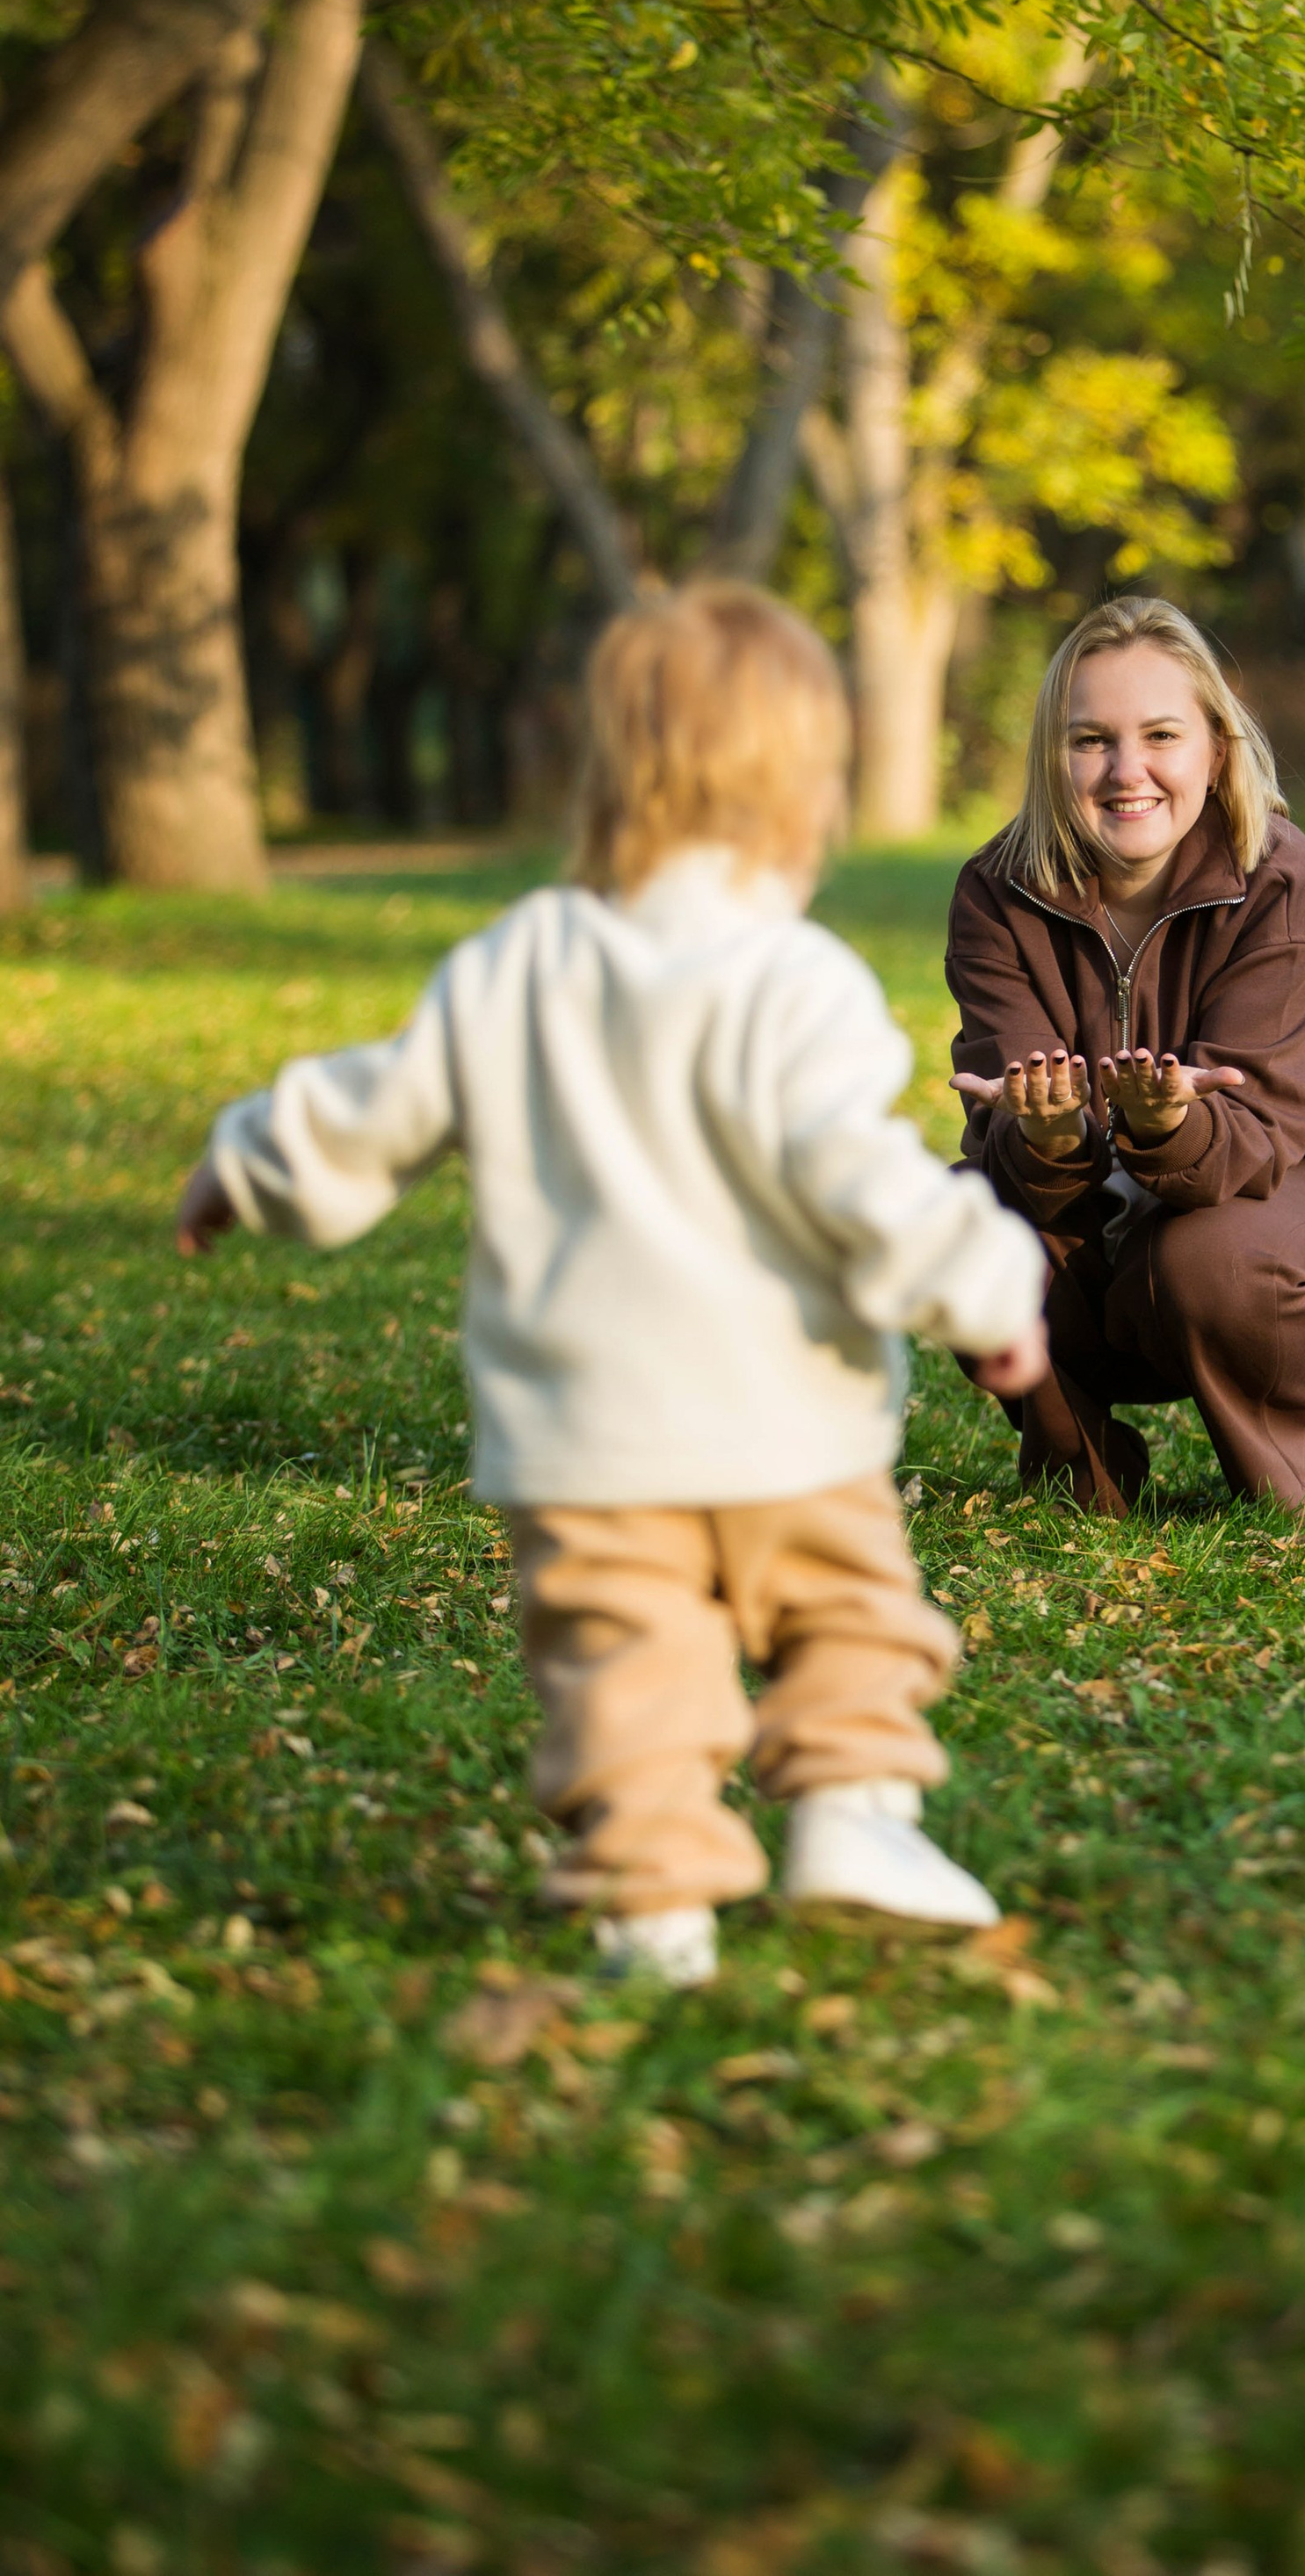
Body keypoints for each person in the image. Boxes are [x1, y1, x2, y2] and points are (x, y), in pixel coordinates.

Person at [174, 582, 1048, 1989]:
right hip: (789, 1424)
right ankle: (850, 1812)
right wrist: (989, 1295)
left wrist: (250, 1161)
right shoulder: (796, 981)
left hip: (589, 1439)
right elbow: (861, 1177)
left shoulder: (517, 959)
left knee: (627, 1671)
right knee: (850, 1614)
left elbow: (376, 1107)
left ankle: (652, 1908)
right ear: (806, 794)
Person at [946, 595, 1305, 1522]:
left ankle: (1294, 1471)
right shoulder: (996, 893)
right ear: (1051, 759)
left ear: (1216, 751)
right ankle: (1081, 1474)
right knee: (959, 1228)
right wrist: (1045, 1135)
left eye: (1161, 734)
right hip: (1098, 1229)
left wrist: (1169, 1126)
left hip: (1287, 1203)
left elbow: (1260, 1137)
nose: (1128, 771)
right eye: (1091, 741)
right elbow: (1009, 1141)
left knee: (1205, 1256)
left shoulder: (1278, 878)